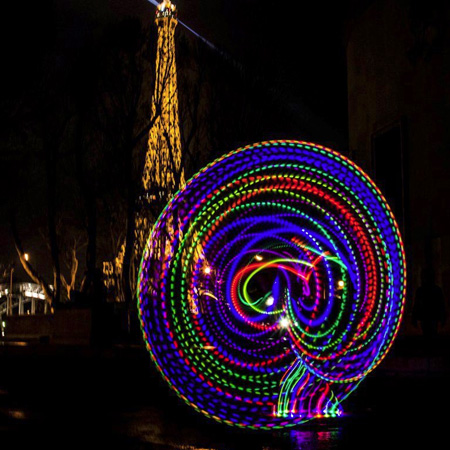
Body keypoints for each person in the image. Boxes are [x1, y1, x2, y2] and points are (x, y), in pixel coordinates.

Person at [412, 267, 446, 344]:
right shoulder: (436, 290)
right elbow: (441, 305)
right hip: (431, 317)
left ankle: (429, 349)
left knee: (428, 336)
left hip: (428, 317)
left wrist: (414, 318)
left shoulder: (421, 290)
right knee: (430, 335)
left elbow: (416, 305)